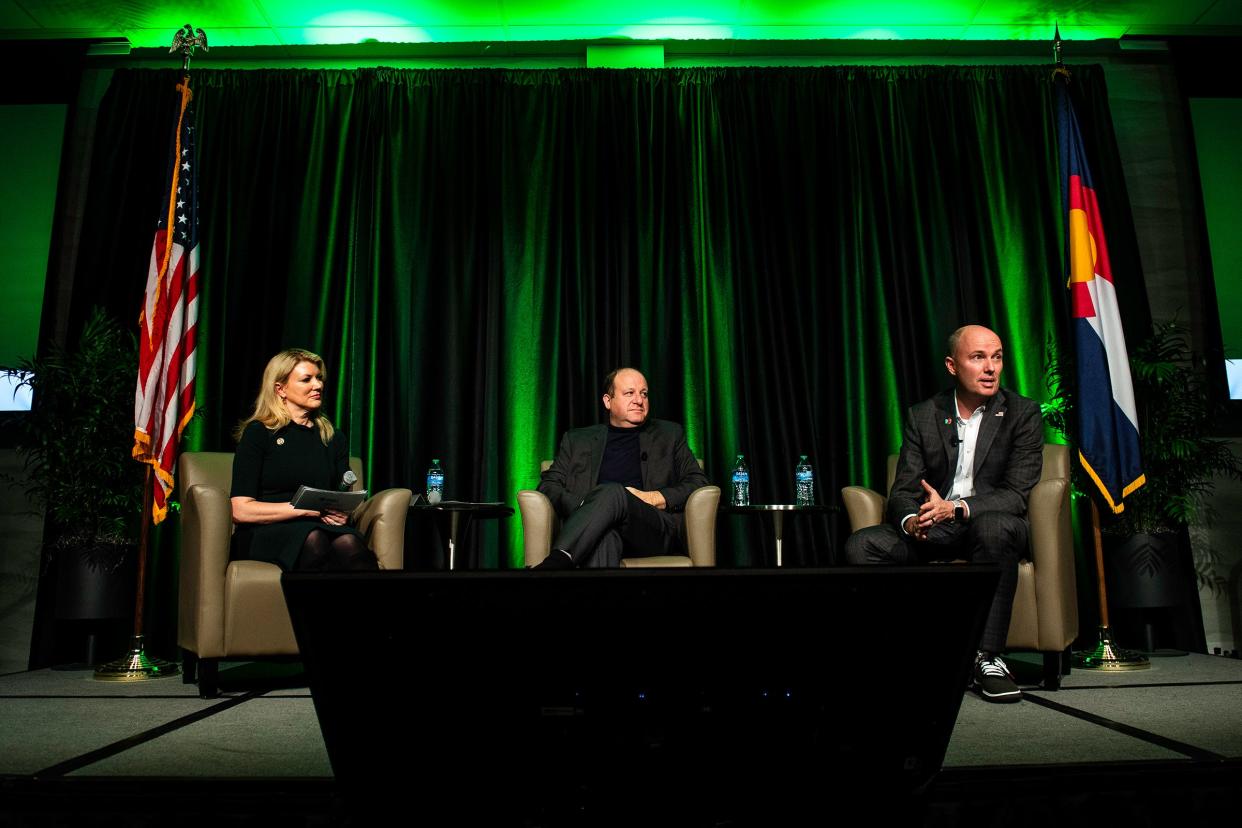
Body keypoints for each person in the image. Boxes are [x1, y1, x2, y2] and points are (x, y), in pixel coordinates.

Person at [844, 325, 1043, 703]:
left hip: (987, 525)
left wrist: (957, 507)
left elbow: (1016, 494)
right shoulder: (924, 415)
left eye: (997, 357)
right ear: (953, 366)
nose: (991, 368)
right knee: (863, 545)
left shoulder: (1022, 413)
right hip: (934, 528)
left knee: (995, 527)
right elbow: (903, 489)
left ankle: (987, 657)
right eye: (978, 358)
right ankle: (902, 657)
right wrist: (911, 520)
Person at [533, 367, 708, 569]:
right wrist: (586, 505)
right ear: (608, 401)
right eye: (629, 393)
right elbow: (548, 485)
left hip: (651, 529)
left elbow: (698, 481)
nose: (639, 400)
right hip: (597, 529)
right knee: (603, 536)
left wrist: (651, 497)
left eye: (644, 394)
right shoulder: (578, 440)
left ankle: (555, 564)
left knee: (613, 491)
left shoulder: (670, 435)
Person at [229, 348, 378, 571]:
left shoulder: (332, 437)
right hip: (266, 531)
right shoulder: (259, 433)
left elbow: (340, 495)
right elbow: (240, 510)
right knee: (313, 539)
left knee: (350, 543)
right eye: (306, 379)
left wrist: (342, 514)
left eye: (319, 378)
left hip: (317, 524)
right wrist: (301, 510)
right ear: (281, 389)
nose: (318, 385)